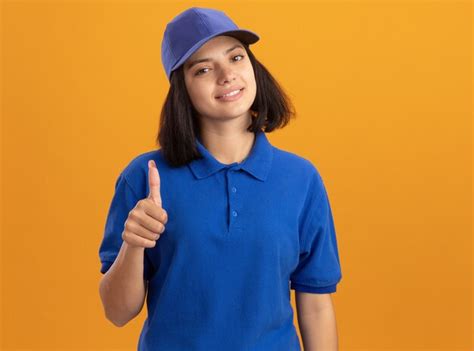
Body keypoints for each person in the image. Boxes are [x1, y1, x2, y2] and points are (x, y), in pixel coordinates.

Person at [98, 6, 342, 351]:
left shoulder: (301, 179)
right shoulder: (143, 177)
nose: (226, 75)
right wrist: (133, 243)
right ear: (181, 90)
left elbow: (316, 306)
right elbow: (117, 312)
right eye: (203, 69)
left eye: (236, 58)